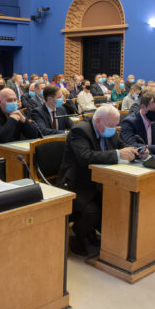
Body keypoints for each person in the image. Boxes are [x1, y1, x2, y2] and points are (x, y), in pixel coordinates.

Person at [57, 105, 138, 256]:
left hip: (100, 181)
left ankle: (93, 234)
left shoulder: (109, 130)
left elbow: (121, 147)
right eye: (111, 125)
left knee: (115, 204)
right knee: (93, 211)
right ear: (98, 120)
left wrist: (135, 151)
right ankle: (77, 234)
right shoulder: (80, 131)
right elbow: (86, 157)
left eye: (116, 125)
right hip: (77, 183)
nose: (114, 129)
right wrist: (118, 154)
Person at [0, 88, 40, 180]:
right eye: (9, 100)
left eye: (15, 100)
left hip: (14, 154)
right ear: (0, 101)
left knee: (33, 162)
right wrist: (12, 120)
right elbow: (1, 139)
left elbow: (34, 134)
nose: (13, 102)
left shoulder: (18, 113)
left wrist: (24, 121)